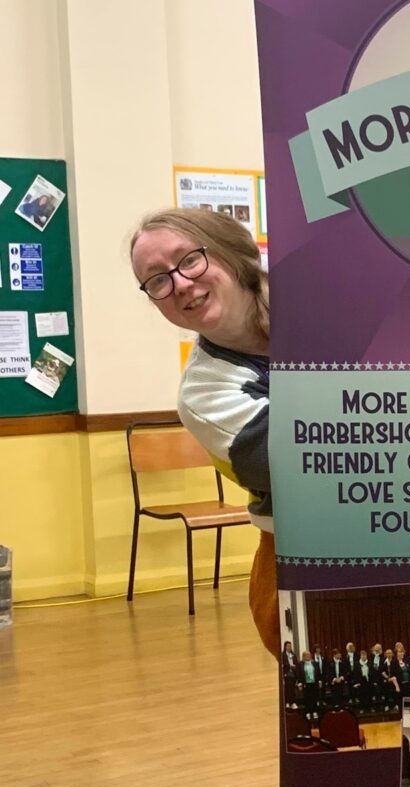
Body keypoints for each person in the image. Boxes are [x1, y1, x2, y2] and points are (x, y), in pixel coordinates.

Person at [130, 209, 276, 654]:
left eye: (189, 260)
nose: (179, 284)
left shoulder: (318, 295)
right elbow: (310, 467)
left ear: (232, 252)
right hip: (305, 560)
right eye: (157, 280)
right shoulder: (204, 392)